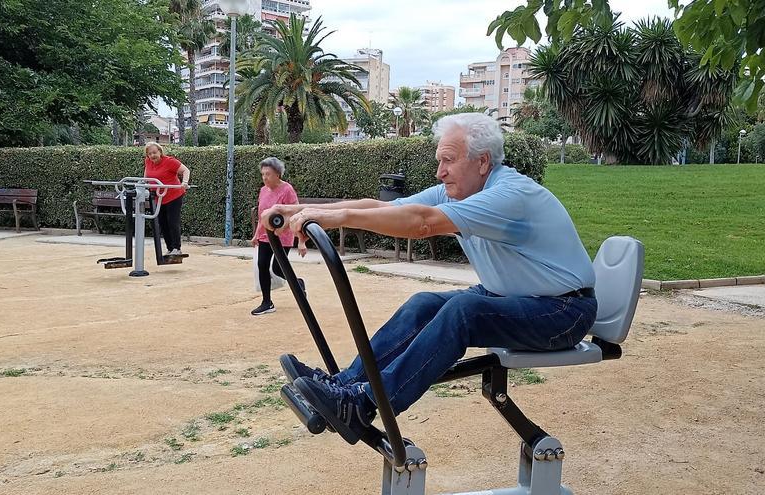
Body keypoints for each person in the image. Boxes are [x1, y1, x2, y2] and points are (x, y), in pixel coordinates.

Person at [261, 113, 598, 445]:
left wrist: (337, 218)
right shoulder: (457, 192)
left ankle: (363, 404)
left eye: (448, 161)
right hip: (512, 297)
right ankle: (343, 386)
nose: (440, 172)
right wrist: (300, 210)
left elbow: (422, 223)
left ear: (482, 162)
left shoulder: (509, 195)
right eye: (439, 161)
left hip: (563, 311)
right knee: (423, 304)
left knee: (464, 310)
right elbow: (384, 208)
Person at [251, 157, 307, 316]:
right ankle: (267, 302)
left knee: (277, 268)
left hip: (283, 235)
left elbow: (297, 213)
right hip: (264, 235)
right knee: (262, 265)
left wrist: (301, 240)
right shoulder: (263, 190)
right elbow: (263, 215)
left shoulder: (287, 190)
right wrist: (256, 235)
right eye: (262, 174)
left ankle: (297, 283)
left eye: (268, 174)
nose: (264, 178)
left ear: (277, 174)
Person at [143, 142, 190, 256]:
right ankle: (170, 248)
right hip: (158, 197)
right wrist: (144, 184)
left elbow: (186, 170)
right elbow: (146, 176)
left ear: (160, 151)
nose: (153, 155)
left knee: (172, 221)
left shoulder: (169, 161)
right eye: (150, 154)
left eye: (155, 152)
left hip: (173, 195)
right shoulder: (148, 162)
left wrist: (184, 182)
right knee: (162, 223)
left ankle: (176, 248)